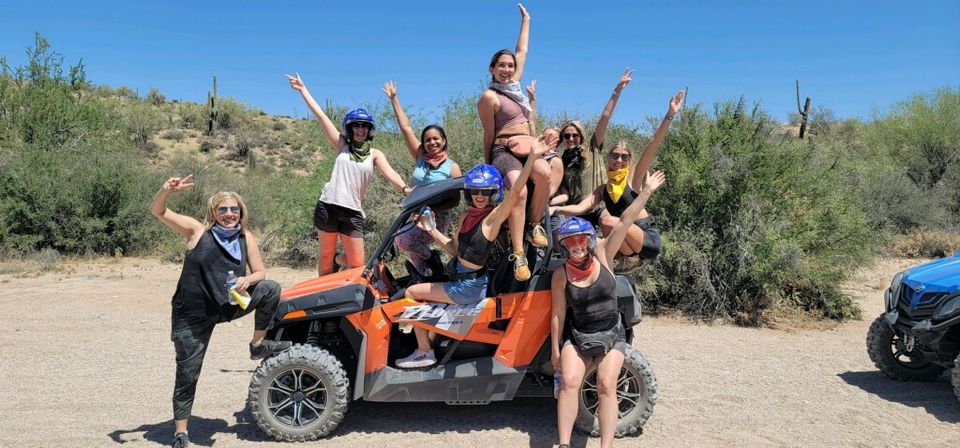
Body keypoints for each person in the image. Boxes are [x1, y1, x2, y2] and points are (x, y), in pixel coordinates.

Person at [149, 174, 291, 448]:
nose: (229, 214)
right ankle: (181, 432)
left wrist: (247, 280)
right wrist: (165, 190)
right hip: (192, 314)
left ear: (241, 212)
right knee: (188, 372)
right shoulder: (196, 231)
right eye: (223, 209)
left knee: (270, 288)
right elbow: (159, 211)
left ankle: (258, 343)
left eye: (234, 209)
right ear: (213, 213)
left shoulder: (245, 237)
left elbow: (261, 271)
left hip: (227, 305)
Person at [397, 131, 559, 368]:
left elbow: (515, 194)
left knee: (412, 293)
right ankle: (431, 344)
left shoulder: (491, 219)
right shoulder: (465, 216)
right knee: (418, 289)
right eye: (475, 190)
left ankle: (423, 351)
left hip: (469, 287)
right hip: (460, 278)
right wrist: (431, 229)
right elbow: (454, 249)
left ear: (494, 192)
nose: (480, 196)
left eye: (486, 191)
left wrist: (532, 157)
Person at [551, 171, 666, 448]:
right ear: (564, 245)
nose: (577, 245)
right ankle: (564, 444)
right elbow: (558, 314)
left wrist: (646, 192)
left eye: (581, 239)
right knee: (568, 382)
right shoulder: (561, 274)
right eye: (570, 241)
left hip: (611, 334)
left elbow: (625, 221)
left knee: (605, 384)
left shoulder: (603, 253)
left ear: (588, 239)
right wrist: (556, 349)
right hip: (579, 335)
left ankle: (606, 445)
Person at [287, 73, 411, 276]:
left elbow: (391, 174)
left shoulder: (374, 154)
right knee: (325, 255)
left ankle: (340, 265)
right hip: (328, 206)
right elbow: (321, 116)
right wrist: (303, 90)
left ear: (369, 129)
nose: (360, 129)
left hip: (353, 211)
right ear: (349, 128)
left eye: (364, 125)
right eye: (356, 125)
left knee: (357, 262)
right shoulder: (342, 145)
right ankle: (324, 297)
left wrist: (406, 189)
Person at [552, 90, 684, 273]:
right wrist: (554, 209)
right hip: (625, 239)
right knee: (593, 240)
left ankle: (631, 260)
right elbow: (580, 208)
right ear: (608, 158)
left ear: (629, 160)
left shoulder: (634, 178)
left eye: (624, 157)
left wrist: (670, 114)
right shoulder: (603, 189)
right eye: (615, 155)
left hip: (645, 237)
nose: (619, 160)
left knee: (608, 222)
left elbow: (654, 142)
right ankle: (620, 259)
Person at [477, 3, 553, 282]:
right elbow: (488, 133)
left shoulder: (516, 87)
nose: (507, 69)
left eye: (510, 66)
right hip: (503, 149)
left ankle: (535, 225)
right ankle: (519, 253)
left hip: (529, 146)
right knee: (518, 192)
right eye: (502, 66)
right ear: (492, 68)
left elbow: (522, 51)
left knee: (544, 173)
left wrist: (526, 20)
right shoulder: (490, 97)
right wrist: (489, 167)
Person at [382, 80, 463, 276]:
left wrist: (429, 211)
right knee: (413, 253)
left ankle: (433, 259)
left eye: (436, 139)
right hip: (416, 212)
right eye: (427, 139)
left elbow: (454, 200)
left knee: (403, 241)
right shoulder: (420, 157)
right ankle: (428, 278)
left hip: (438, 216)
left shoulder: (451, 167)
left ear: (443, 141)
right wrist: (394, 100)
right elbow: (406, 128)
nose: (432, 142)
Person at [551, 68, 635, 215]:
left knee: (607, 222)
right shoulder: (561, 161)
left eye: (575, 135)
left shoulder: (592, 149)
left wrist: (617, 91)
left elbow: (605, 117)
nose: (571, 139)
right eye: (567, 136)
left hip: (599, 207)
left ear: (581, 136)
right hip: (575, 211)